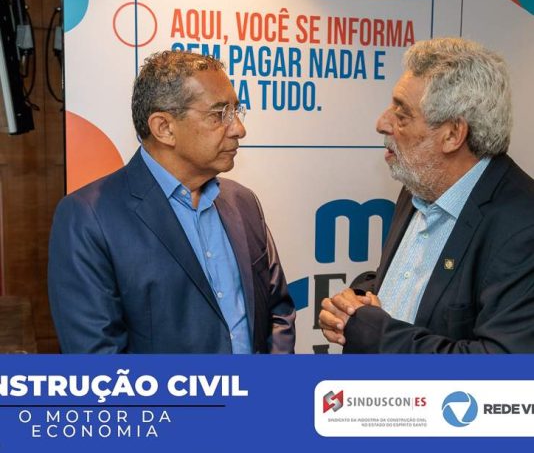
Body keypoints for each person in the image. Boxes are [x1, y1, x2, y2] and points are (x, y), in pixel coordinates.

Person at [48, 50, 295, 353]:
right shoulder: (88, 217)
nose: (239, 129)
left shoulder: (243, 202)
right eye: (219, 115)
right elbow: (98, 358)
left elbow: (277, 312)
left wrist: (271, 380)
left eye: (236, 111)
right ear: (164, 128)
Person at [319, 37, 534, 353]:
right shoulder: (420, 182)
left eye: (402, 114)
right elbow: (418, 285)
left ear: (452, 135)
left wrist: (373, 332)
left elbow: (499, 367)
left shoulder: (523, 229)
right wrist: (356, 304)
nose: (382, 123)